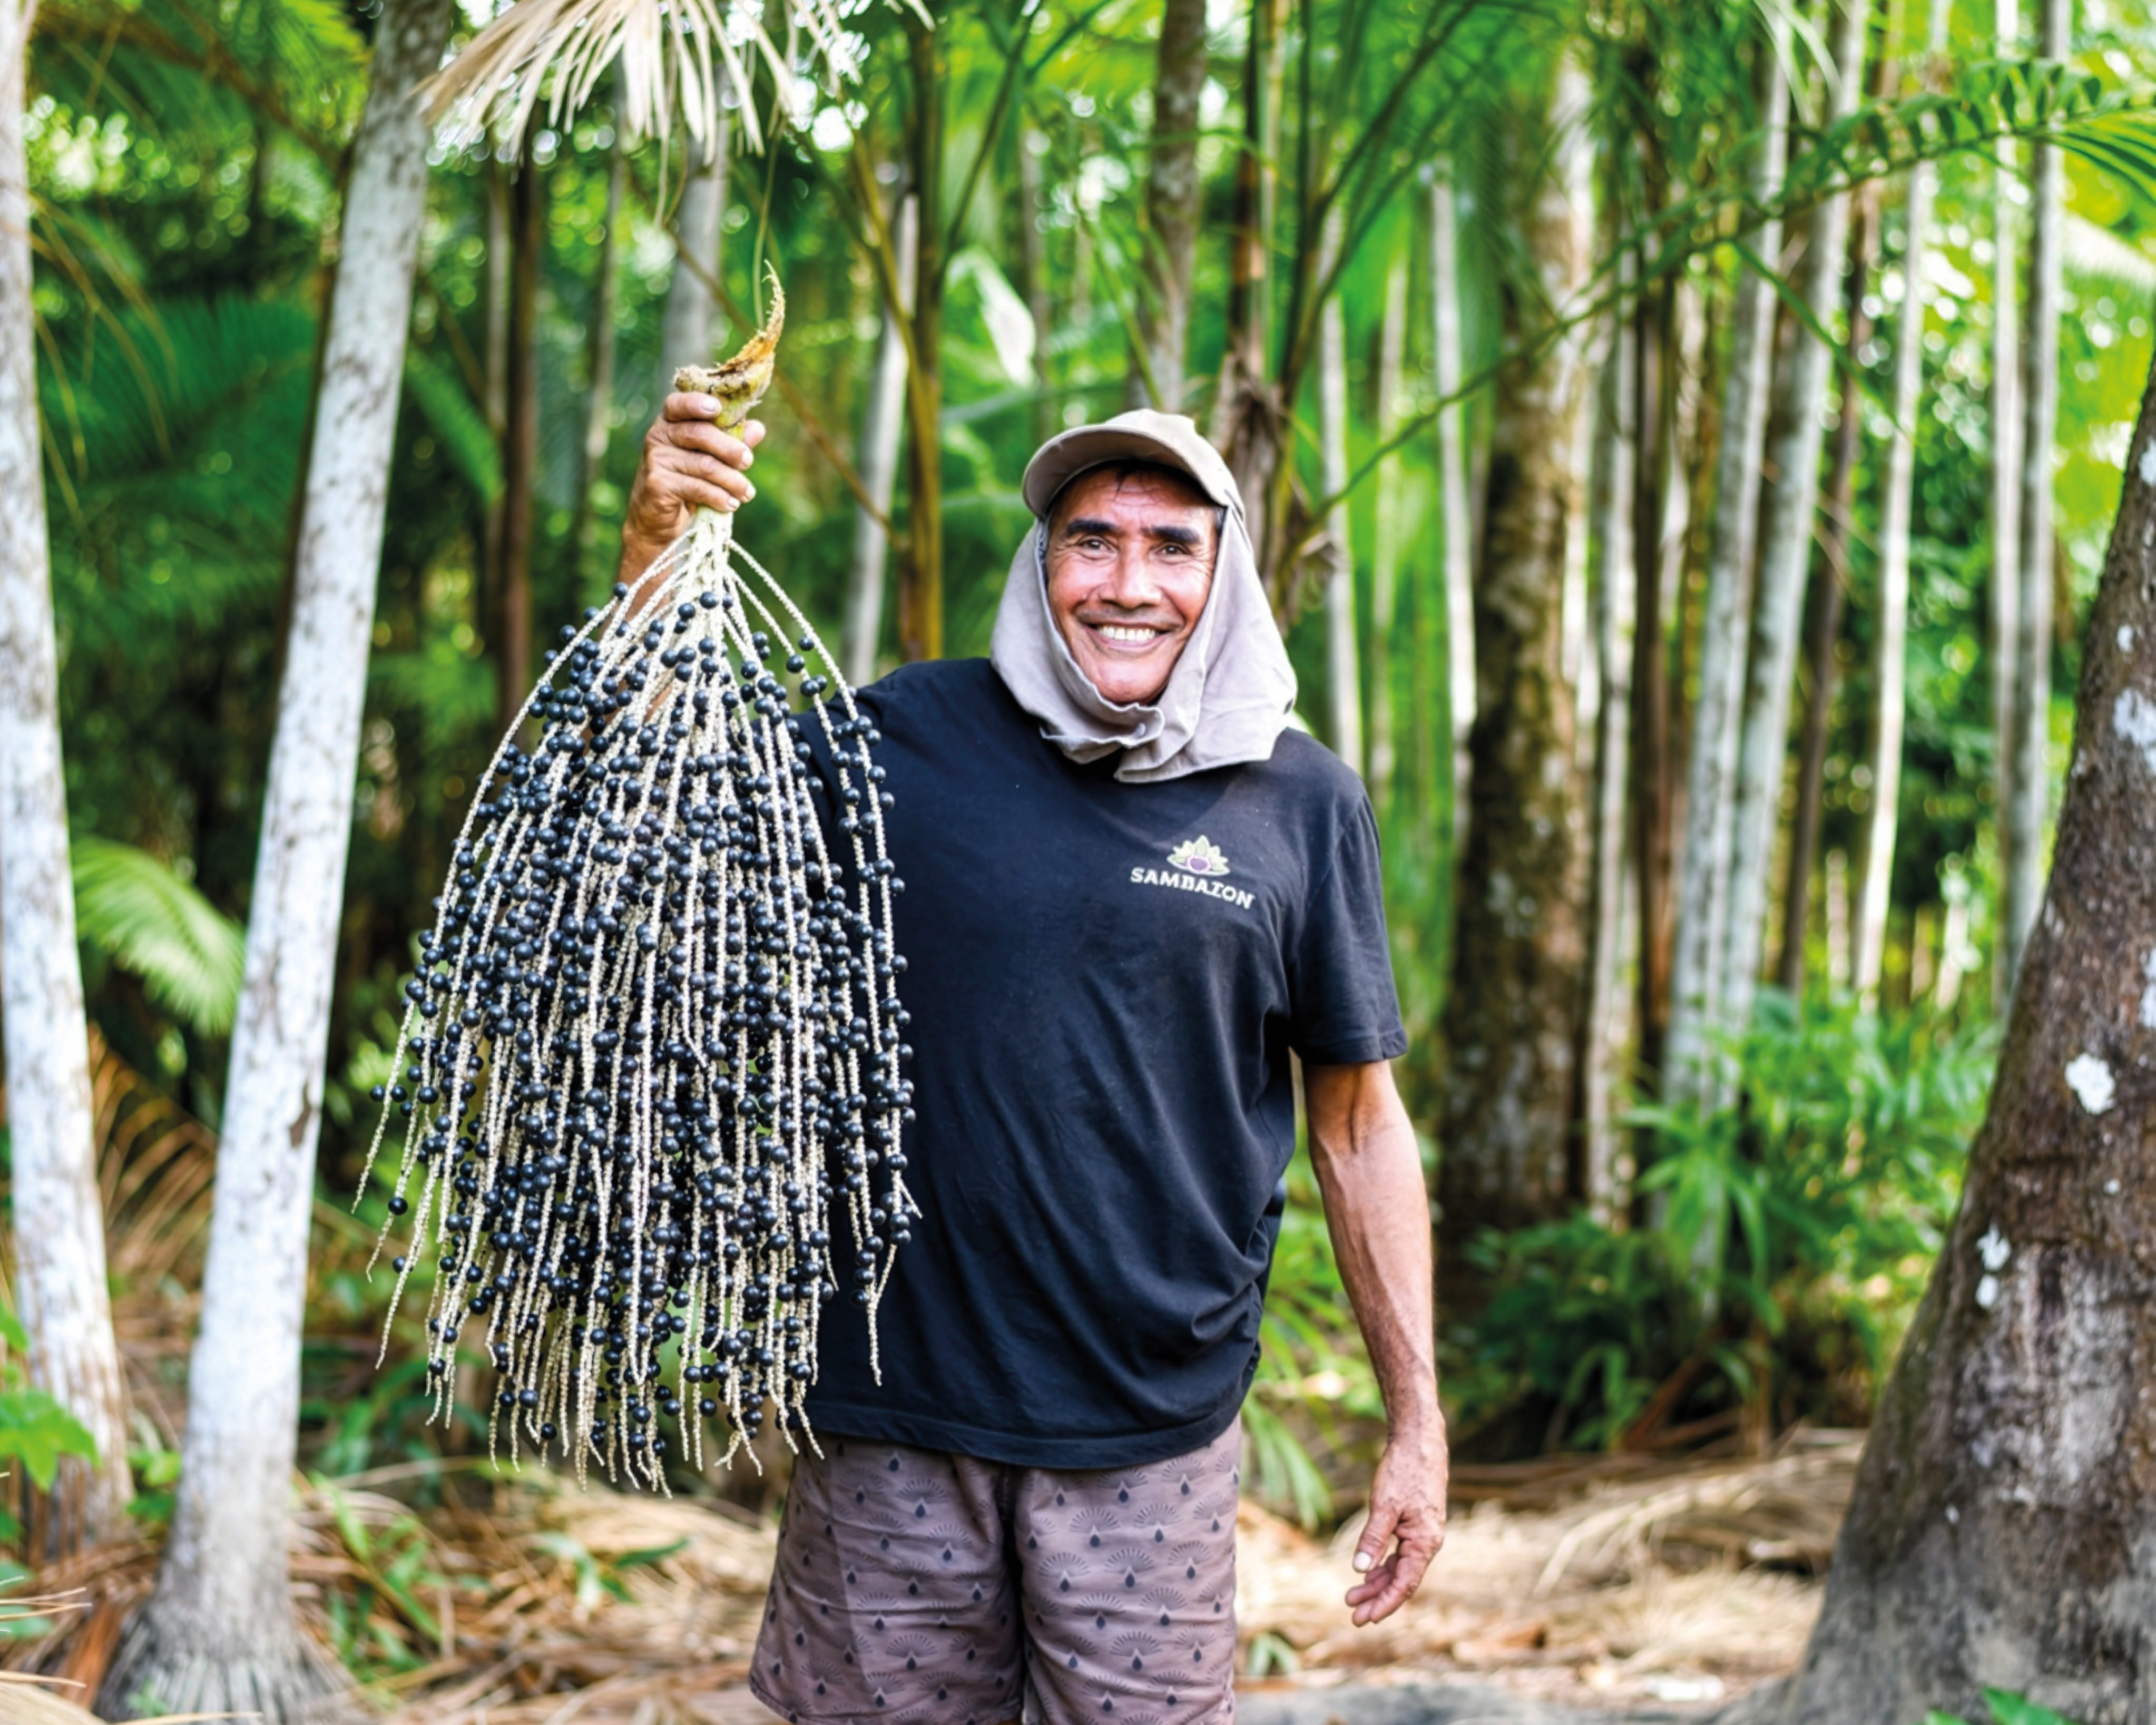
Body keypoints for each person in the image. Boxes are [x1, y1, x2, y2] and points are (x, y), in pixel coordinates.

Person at [620, 395, 1447, 1725]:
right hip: (894, 1409)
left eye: (1173, 547)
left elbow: (1358, 1125)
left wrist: (1416, 1420)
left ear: (1224, 571)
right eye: (1092, 540)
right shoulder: (907, 737)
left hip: (1150, 1429)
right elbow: (678, 786)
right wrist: (659, 536)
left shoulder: (1301, 800)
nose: (1130, 584)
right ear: (1042, 560)